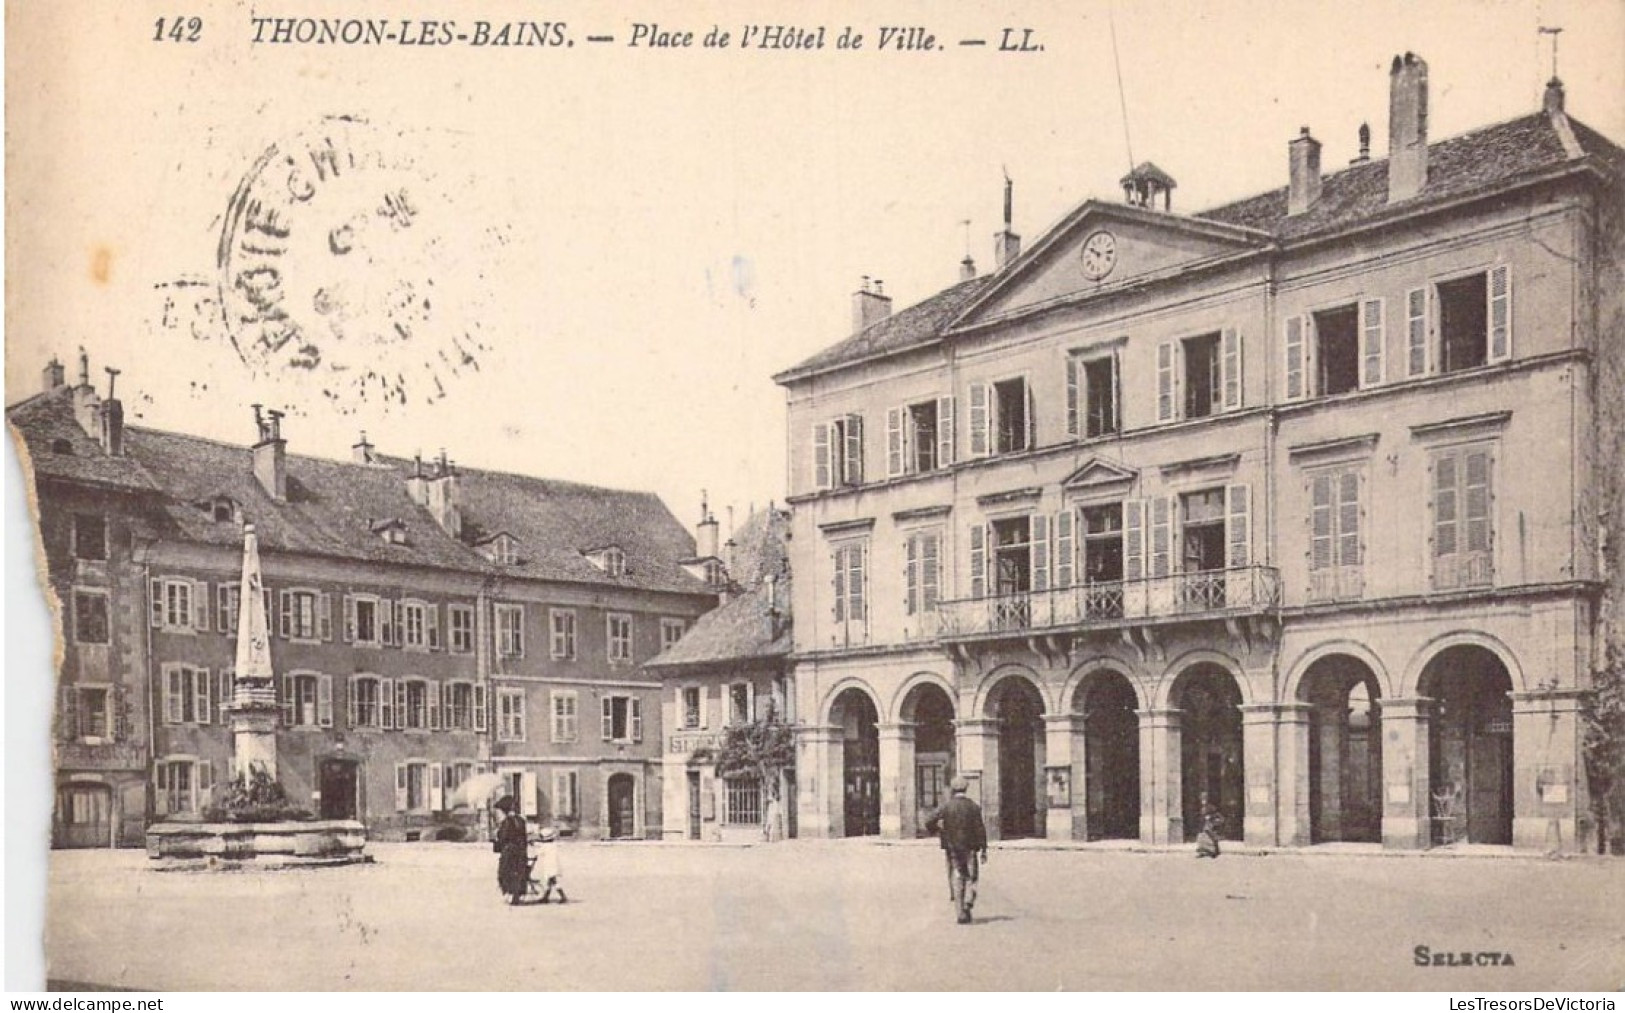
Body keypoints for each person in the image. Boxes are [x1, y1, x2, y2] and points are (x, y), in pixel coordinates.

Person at [924, 776, 988, 925]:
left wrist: (938, 828)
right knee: (971, 876)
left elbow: (928, 821)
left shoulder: (946, 807)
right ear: (966, 789)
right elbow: (980, 829)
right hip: (970, 848)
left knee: (957, 876)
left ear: (953, 789)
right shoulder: (973, 807)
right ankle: (968, 901)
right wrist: (984, 849)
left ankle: (960, 913)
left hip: (952, 848)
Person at [492, 795, 530, 904]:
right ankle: (517, 895)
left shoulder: (507, 822)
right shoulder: (521, 820)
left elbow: (504, 837)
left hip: (509, 852)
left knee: (504, 873)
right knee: (518, 874)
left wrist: (497, 836)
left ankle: (509, 894)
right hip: (521, 851)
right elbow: (524, 837)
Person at [535, 825, 567, 904]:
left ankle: (563, 896)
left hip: (549, 866)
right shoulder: (553, 845)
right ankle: (546, 897)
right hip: (554, 865)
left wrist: (535, 846)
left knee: (553, 881)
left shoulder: (545, 846)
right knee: (550, 882)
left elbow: (538, 853)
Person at [1195, 793, 1223, 859]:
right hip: (1202, 825)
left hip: (1209, 824)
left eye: (1204, 799)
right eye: (1202, 799)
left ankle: (1213, 852)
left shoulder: (1211, 807)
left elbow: (1216, 814)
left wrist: (1210, 816)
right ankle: (1202, 852)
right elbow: (1199, 815)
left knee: (1210, 837)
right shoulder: (1201, 807)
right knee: (1201, 838)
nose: (1203, 801)